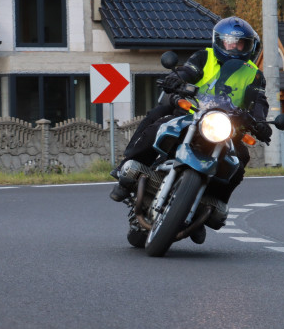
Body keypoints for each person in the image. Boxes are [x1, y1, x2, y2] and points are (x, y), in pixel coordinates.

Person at [109, 17, 272, 243]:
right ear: (219, 42)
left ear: (248, 47)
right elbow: (188, 71)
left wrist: (261, 122)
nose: (233, 47)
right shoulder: (204, 56)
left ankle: (208, 206)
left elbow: (259, 100)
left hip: (226, 126)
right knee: (158, 120)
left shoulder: (254, 73)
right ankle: (125, 168)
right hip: (192, 112)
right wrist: (176, 80)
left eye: (239, 43)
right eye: (228, 42)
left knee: (240, 157)